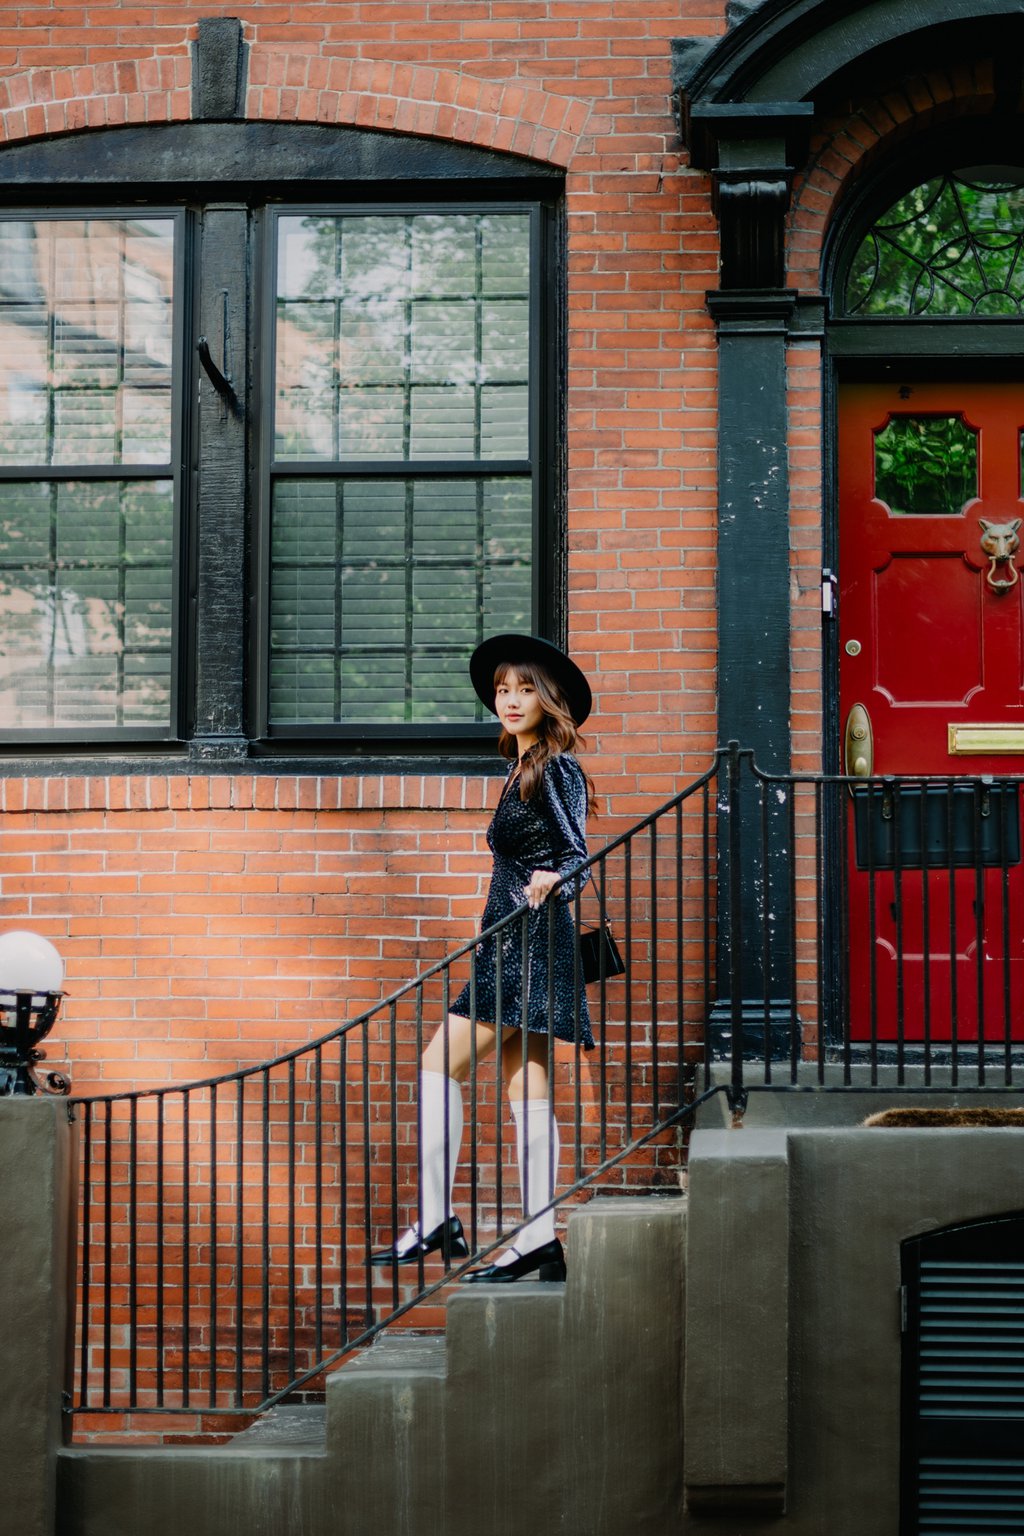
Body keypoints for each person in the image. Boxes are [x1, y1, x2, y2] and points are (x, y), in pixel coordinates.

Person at [371, 633, 596, 1284]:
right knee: (527, 1089)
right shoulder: (522, 768)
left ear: (548, 699)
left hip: (527, 944)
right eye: (502, 689)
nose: (511, 700)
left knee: (438, 1065)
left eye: (525, 689)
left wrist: (557, 879)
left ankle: (437, 1219)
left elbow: (577, 855)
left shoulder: (554, 768)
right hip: (515, 943)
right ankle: (539, 1240)